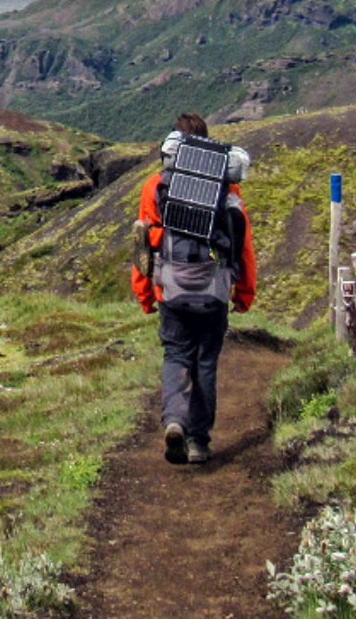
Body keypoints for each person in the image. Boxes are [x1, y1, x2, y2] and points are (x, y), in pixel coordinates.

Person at [129, 112, 257, 465]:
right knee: (206, 362)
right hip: (214, 291)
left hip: (171, 291)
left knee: (176, 355)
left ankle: (174, 421)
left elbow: (144, 243)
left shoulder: (156, 185)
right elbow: (242, 244)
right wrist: (244, 292)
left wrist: (145, 294)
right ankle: (199, 442)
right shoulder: (227, 187)